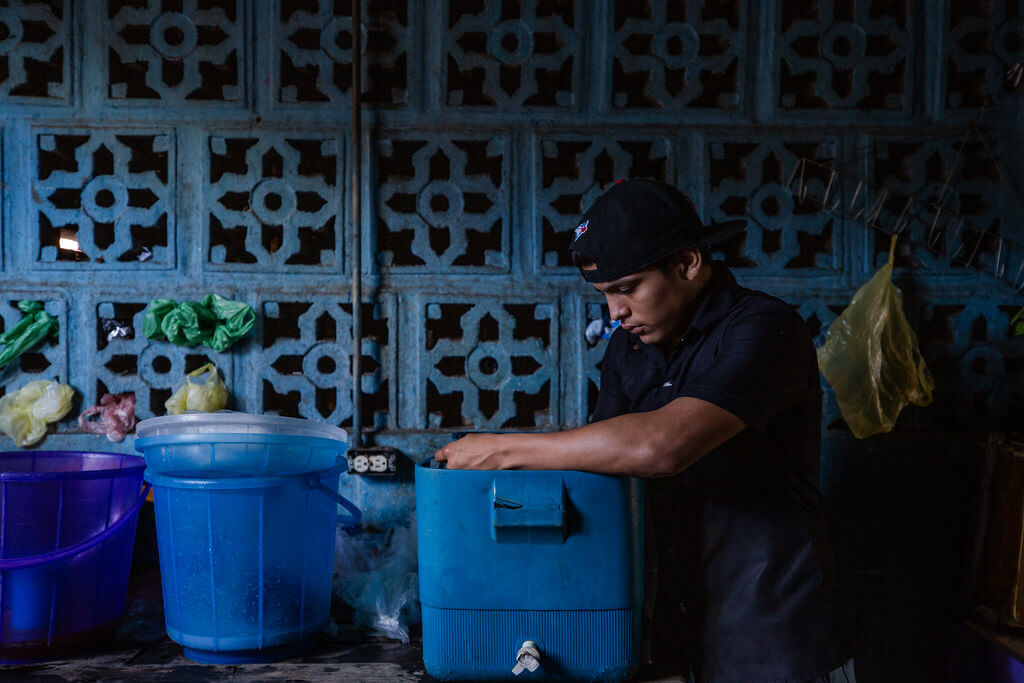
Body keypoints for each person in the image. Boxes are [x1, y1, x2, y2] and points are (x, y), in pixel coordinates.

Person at [434, 179, 855, 683]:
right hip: (674, 635)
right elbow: (604, 474)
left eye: (627, 288)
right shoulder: (627, 351)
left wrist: (503, 451)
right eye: (605, 295)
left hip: (776, 640)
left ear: (689, 264)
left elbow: (663, 446)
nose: (615, 312)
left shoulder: (765, 329)